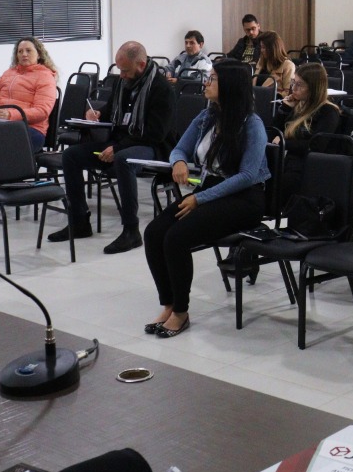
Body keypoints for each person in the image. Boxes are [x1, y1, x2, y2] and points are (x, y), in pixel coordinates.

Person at [143, 62, 269, 339]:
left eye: (212, 79)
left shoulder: (252, 124)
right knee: (153, 232)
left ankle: (181, 312)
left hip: (244, 199)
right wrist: (178, 162)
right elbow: (179, 148)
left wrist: (200, 198)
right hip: (211, 191)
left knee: (176, 238)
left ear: (229, 86)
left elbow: (247, 175)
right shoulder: (207, 117)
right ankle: (169, 305)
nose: (206, 83)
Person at [48, 41, 176, 254]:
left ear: (141, 65)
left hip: (153, 147)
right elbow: (111, 112)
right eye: (119, 70)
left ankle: (131, 231)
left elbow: (155, 133)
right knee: (71, 155)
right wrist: (97, 114)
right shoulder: (121, 83)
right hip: (120, 142)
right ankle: (79, 221)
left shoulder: (162, 89)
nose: (121, 75)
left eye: (125, 70)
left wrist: (118, 148)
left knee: (124, 159)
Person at [0, 37, 57, 223]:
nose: (23, 54)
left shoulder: (45, 76)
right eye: (20, 51)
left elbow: (42, 111)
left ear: (39, 54)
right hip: (1, 127)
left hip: (29, 131)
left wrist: (11, 114)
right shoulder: (8, 73)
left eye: (28, 51)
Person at [272, 62, 342, 201]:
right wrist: (284, 109)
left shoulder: (328, 112)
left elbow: (317, 145)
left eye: (300, 85)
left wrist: (285, 143)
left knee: (277, 183)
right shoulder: (298, 105)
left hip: (308, 167)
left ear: (314, 88)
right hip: (288, 162)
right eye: (293, 82)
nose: (293, 88)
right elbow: (274, 132)